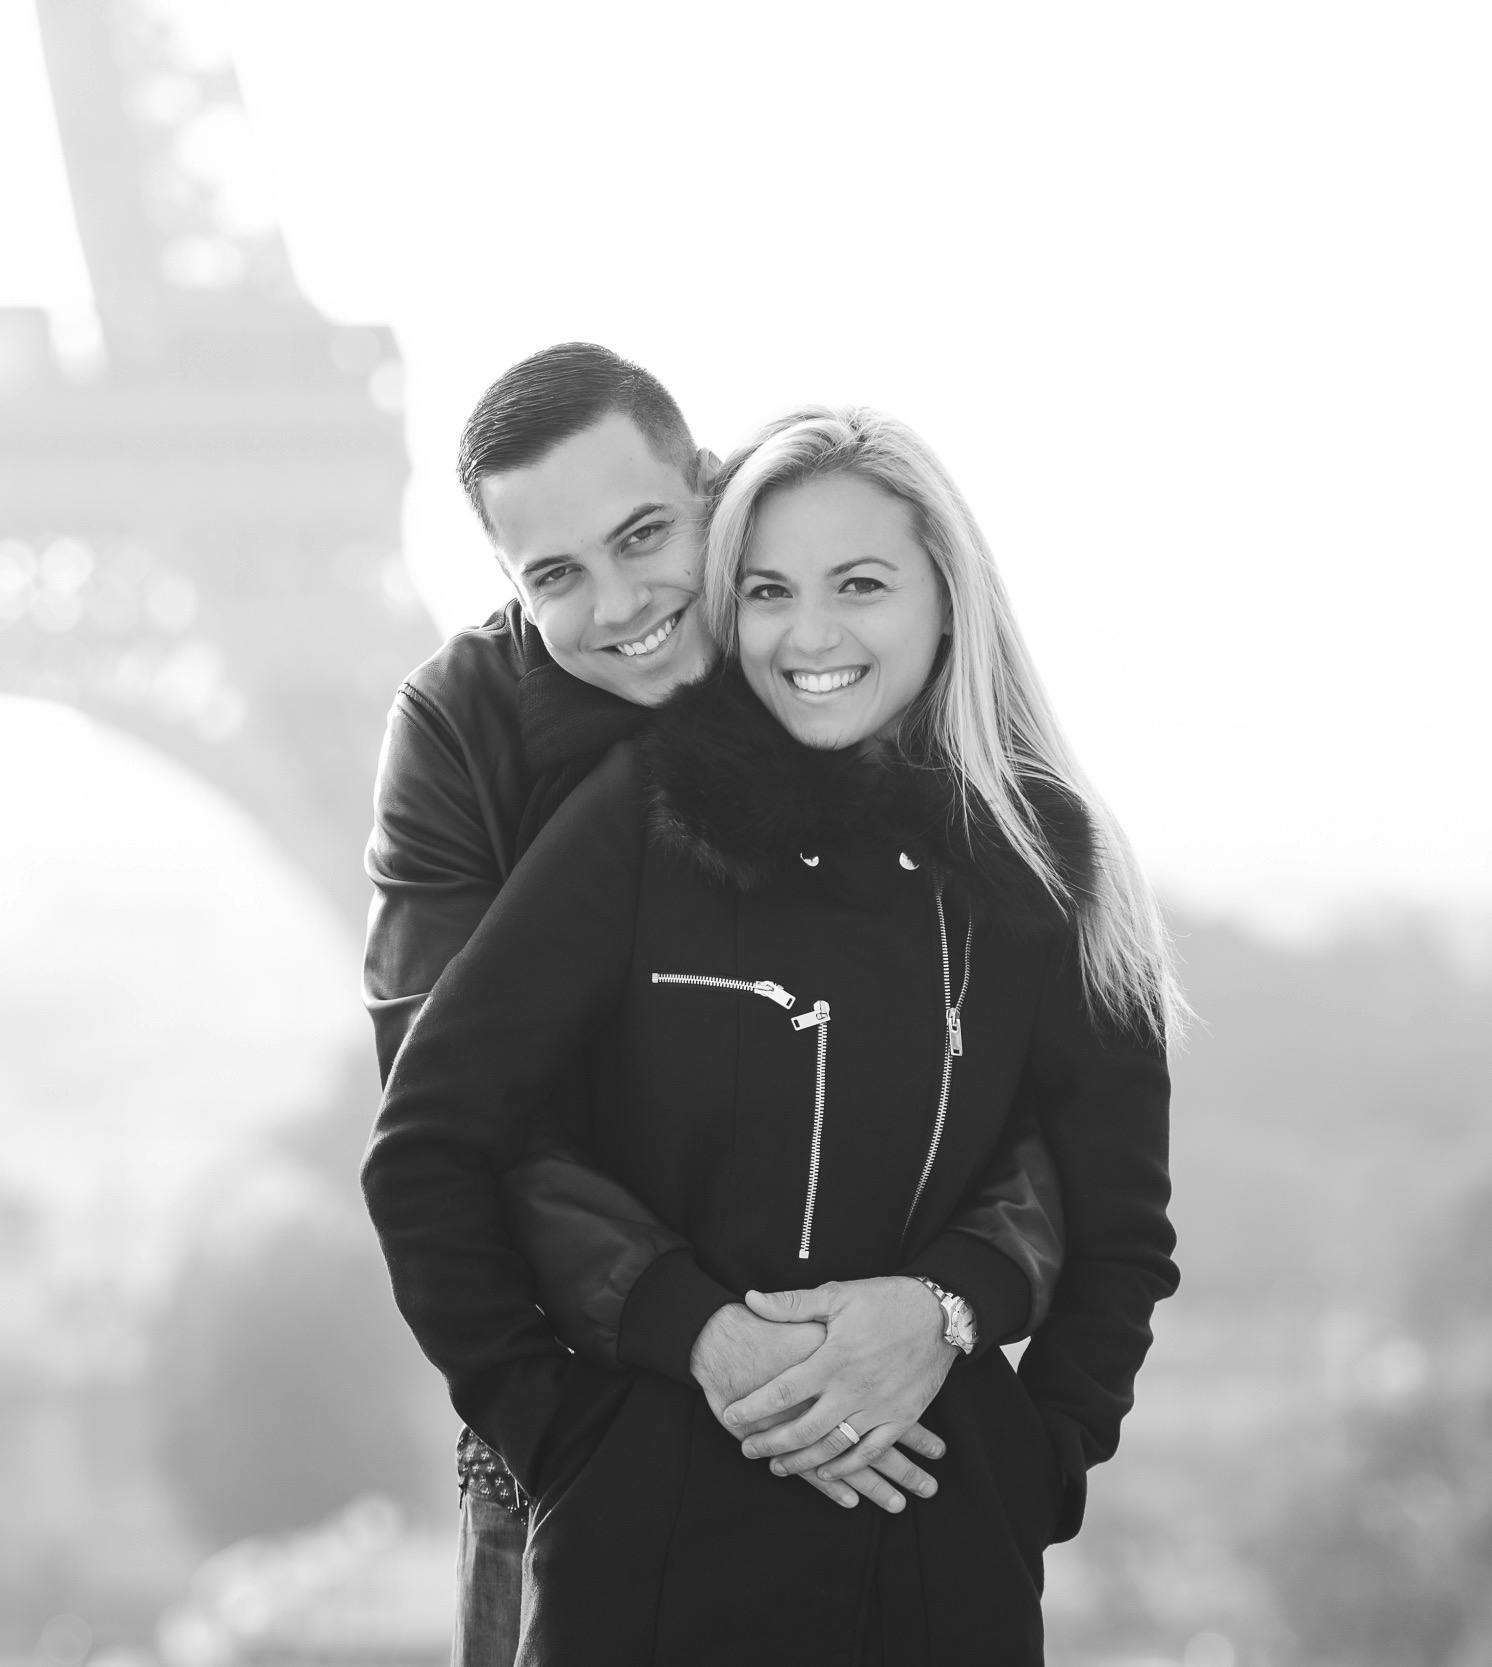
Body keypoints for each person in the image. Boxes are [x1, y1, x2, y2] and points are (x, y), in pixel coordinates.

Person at [363, 404, 1179, 1662]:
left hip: (933, 1556)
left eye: (860, 585)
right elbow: (429, 1142)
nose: (809, 633)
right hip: (643, 1551)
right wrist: (580, 1440)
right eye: (767, 592)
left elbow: (1117, 1225)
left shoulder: (1048, 865)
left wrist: (1027, 1470)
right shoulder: (626, 806)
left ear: (948, 596)